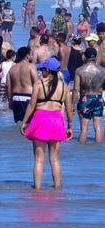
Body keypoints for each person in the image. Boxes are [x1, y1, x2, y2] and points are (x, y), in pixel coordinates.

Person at [20, 57, 73, 190]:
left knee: (39, 159)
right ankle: (57, 188)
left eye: (42, 69)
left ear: (47, 70)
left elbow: (32, 104)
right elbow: (69, 108)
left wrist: (25, 122)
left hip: (41, 120)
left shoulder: (39, 84)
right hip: (57, 121)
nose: (41, 71)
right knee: (54, 159)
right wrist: (70, 126)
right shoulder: (64, 87)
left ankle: (37, 189)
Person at [72, 47, 104, 143]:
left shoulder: (79, 70)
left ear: (85, 57)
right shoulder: (102, 70)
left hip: (85, 99)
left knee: (84, 129)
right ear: (95, 57)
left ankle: (81, 153)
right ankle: (98, 148)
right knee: (98, 127)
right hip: (98, 99)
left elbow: (76, 89)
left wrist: (72, 104)